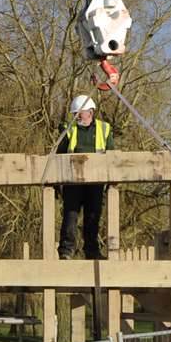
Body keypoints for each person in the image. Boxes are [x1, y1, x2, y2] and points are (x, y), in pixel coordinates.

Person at [55, 95, 114, 259]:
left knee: (93, 217)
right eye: (76, 113)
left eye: (80, 113)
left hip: (96, 181)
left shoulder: (104, 129)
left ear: (91, 112)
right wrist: (56, 182)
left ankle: (92, 251)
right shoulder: (69, 129)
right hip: (73, 180)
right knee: (70, 216)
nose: (78, 116)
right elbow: (59, 155)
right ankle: (66, 251)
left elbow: (112, 156)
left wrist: (111, 180)